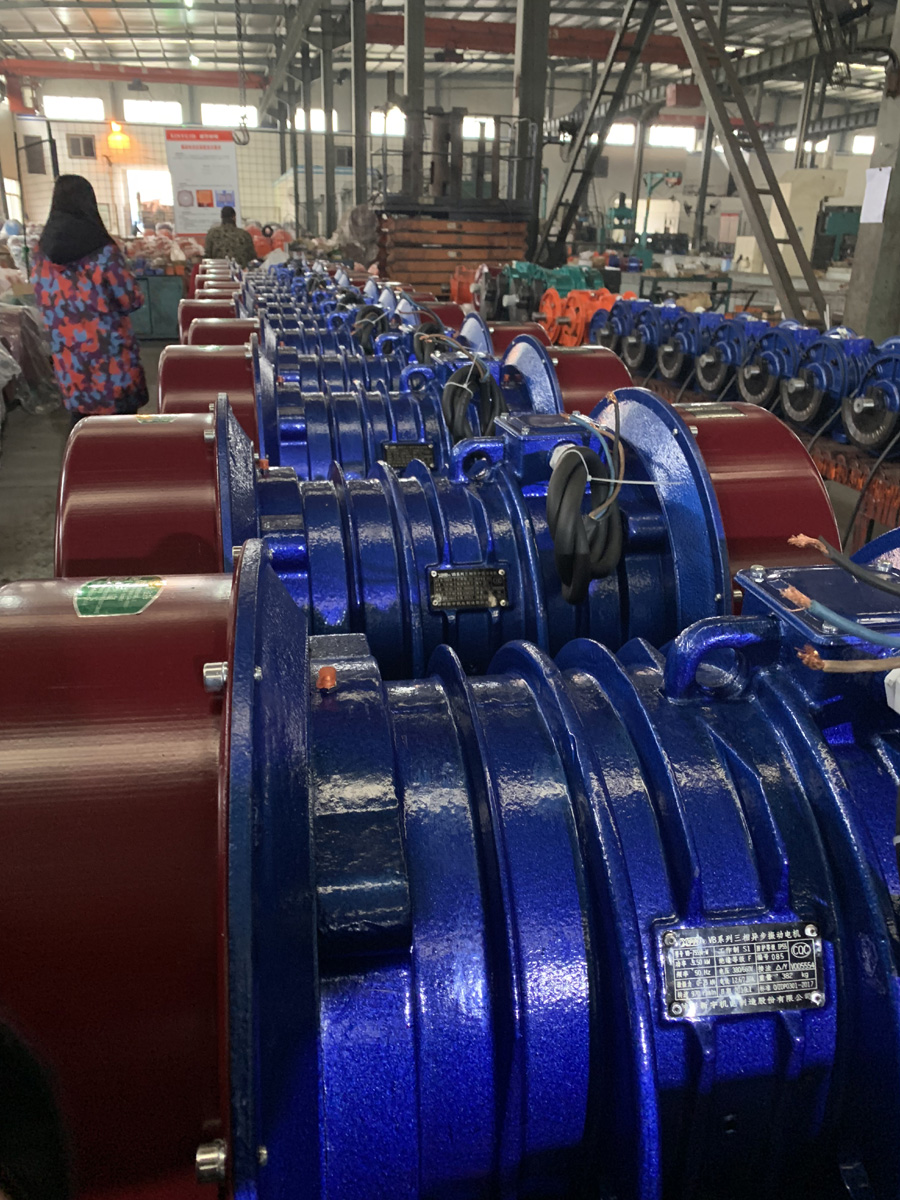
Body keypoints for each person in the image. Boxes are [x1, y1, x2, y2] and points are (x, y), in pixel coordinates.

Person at [31, 175, 148, 426]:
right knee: (123, 434)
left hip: (71, 366)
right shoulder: (104, 251)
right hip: (111, 365)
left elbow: (43, 300)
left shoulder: (40, 254)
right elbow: (131, 299)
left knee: (83, 433)